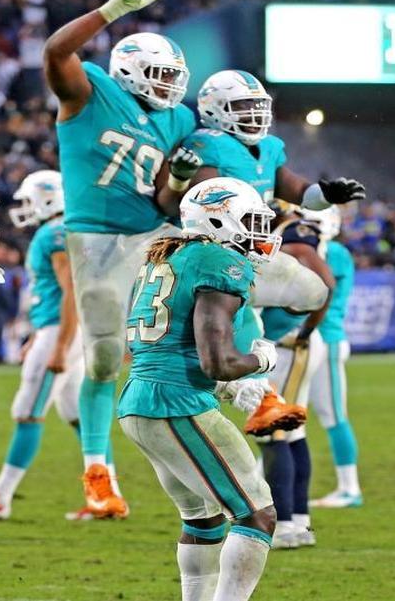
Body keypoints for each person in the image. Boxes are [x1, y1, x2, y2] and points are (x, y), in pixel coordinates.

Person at [43, 0, 196, 514]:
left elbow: (167, 201)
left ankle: (254, 390)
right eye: (158, 74)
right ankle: (97, 473)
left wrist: (180, 180)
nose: (169, 85)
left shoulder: (177, 120)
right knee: (106, 359)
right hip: (95, 240)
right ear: (129, 72)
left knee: (213, 275)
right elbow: (56, 51)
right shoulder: (92, 92)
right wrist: (113, 10)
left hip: (151, 233)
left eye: (173, 75)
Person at [161, 69, 365, 435]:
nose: (254, 113)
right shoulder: (208, 144)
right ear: (214, 109)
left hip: (253, 247)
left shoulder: (269, 147)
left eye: (257, 105)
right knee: (239, 308)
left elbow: (295, 189)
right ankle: (247, 383)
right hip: (215, 250)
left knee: (314, 289)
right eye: (243, 105)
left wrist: (325, 194)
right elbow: (203, 205)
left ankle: (259, 356)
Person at [119, 178, 280, 601]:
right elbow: (218, 362)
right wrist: (260, 361)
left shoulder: (169, 255)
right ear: (218, 220)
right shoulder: (217, 261)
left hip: (140, 400)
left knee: (203, 519)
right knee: (257, 514)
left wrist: (224, 386)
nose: (259, 233)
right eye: (250, 221)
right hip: (176, 404)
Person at [0, 170, 88, 519]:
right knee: (77, 414)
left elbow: (71, 291)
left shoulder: (53, 233)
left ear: (48, 197)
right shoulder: (62, 230)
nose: (25, 207)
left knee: (28, 412)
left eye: (29, 199)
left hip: (60, 332)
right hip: (61, 331)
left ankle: (0, 497)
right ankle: (104, 491)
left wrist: (58, 344)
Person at [254, 207, 335, 549]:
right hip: (288, 345)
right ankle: (299, 522)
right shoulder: (289, 229)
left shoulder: (295, 232)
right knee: (292, 433)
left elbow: (325, 285)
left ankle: (284, 524)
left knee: (273, 431)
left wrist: (306, 328)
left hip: (288, 346)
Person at [303, 207, 363, 509]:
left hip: (325, 338)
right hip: (314, 339)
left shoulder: (333, 252)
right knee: (286, 415)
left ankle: (350, 487)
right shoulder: (334, 251)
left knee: (334, 415)